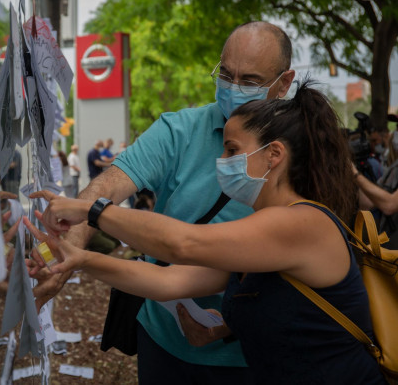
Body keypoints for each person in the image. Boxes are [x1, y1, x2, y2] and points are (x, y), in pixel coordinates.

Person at [26, 81, 385, 384]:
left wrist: (91, 210)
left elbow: (182, 244)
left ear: (274, 154)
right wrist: (79, 259)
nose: (221, 162)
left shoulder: (303, 223)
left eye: (231, 150)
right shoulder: (262, 232)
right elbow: (166, 281)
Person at [30, 21, 296, 384]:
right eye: (226, 75)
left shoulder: (305, 163)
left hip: (254, 354)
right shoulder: (181, 129)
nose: (233, 89)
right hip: (164, 336)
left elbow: (185, 247)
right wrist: (66, 252)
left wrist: (227, 327)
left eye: (248, 81)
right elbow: (109, 186)